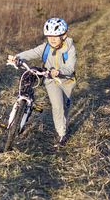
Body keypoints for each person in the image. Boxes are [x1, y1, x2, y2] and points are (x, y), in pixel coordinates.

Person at [7, 17, 76, 147]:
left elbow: (70, 68)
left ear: (64, 35)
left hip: (67, 81)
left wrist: (59, 71)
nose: (52, 39)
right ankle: (62, 135)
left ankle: (64, 126)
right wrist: (17, 58)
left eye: (56, 36)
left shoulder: (70, 49)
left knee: (66, 108)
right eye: (49, 36)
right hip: (51, 80)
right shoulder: (45, 47)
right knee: (57, 106)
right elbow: (32, 52)